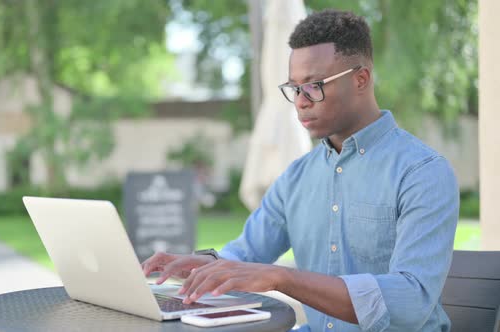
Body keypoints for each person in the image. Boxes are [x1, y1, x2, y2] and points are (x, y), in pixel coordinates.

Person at [142, 9, 458, 332]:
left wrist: (283, 277)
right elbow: (247, 253)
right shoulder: (296, 178)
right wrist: (207, 266)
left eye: (315, 85)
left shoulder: (422, 173)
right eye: (294, 88)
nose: (301, 102)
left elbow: (412, 301)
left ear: (360, 79)